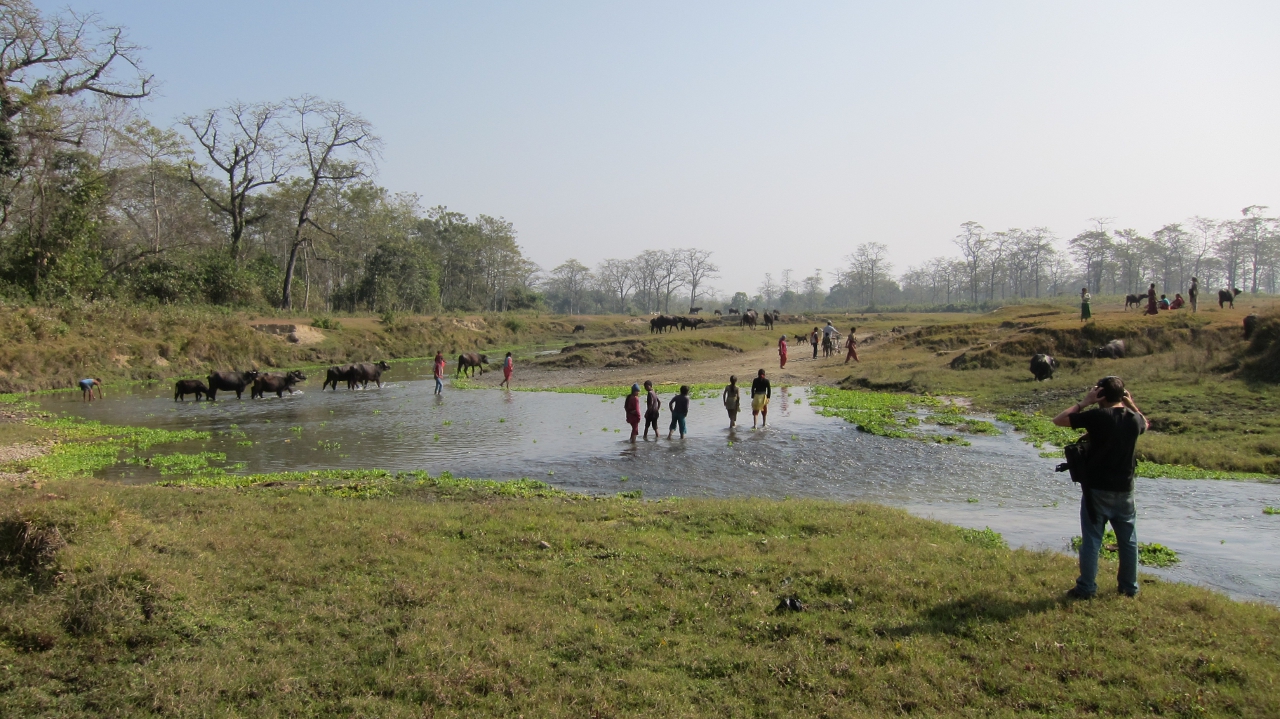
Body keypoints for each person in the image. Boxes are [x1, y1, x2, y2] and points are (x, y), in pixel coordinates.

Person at [1052, 376, 1149, 599]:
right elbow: (1146, 423)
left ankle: (1086, 588)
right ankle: (1129, 588)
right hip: (1125, 489)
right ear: (1122, 396)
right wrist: (1131, 403)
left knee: (1092, 540)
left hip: (1096, 489)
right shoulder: (1134, 419)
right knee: (1128, 541)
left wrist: (1084, 402)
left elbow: (1059, 420)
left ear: (1100, 395)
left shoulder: (1098, 416)